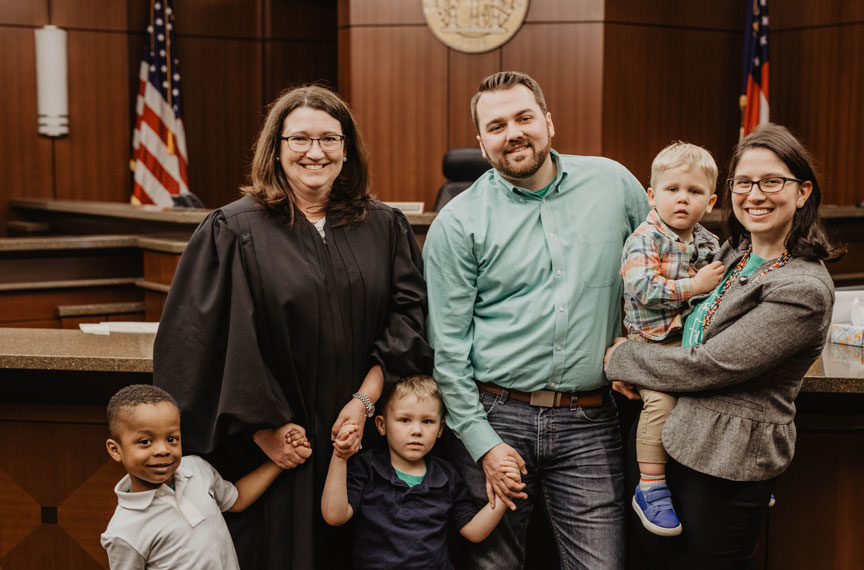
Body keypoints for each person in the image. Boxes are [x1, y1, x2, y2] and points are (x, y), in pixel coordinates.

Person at [153, 84, 434, 570]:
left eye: (329, 139)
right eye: (299, 139)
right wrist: (264, 432)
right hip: (278, 450)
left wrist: (365, 402)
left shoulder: (384, 226)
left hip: (362, 439)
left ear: (347, 149)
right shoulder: (233, 230)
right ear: (276, 148)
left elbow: (408, 321)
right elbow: (198, 346)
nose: (314, 152)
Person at [424, 71, 650, 569]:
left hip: (589, 419)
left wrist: (639, 348)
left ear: (548, 121)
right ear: (482, 144)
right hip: (495, 415)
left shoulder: (614, 184)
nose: (514, 133)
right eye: (497, 125)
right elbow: (449, 350)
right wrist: (484, 446)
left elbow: (662, 267)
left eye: (524, 117)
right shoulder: (458, 223)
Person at [604, 123, 842, 569]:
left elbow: (710, 365)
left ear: (803, 191)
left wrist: (624, 359)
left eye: (772, 181)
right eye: (745, 182)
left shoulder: (802, 286)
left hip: (724, 464)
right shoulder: (731, 253)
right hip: (674, 445)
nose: (756, 194)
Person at [621, 142, 723, 537]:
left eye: (694, 192)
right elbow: (643, 287)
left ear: (710, 201)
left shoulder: (709, 242)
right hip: (651, 344)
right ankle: (651, 488)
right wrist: (694, 285)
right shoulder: (644, 238)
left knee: (720, 393)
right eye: (672, 189)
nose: (683, 199)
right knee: (661, 404)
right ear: (652, 195)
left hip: (692, 340)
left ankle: (731, 476)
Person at [321, 375, 519, 569]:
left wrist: (504, 495)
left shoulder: (446, 476)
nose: (417, 430)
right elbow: (335, 516)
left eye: (427, 422)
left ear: (441, 428)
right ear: (381, 425)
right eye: (405, 420)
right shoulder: (368, 467)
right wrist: (340, 457)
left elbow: (474, 531)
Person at [101, 384, 307, 569]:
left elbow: (237, 499)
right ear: (115, 450)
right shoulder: (123, 532)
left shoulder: (197, 469)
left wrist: (281, 459)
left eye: (172, 438)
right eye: (146, 442)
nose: (163, 450)